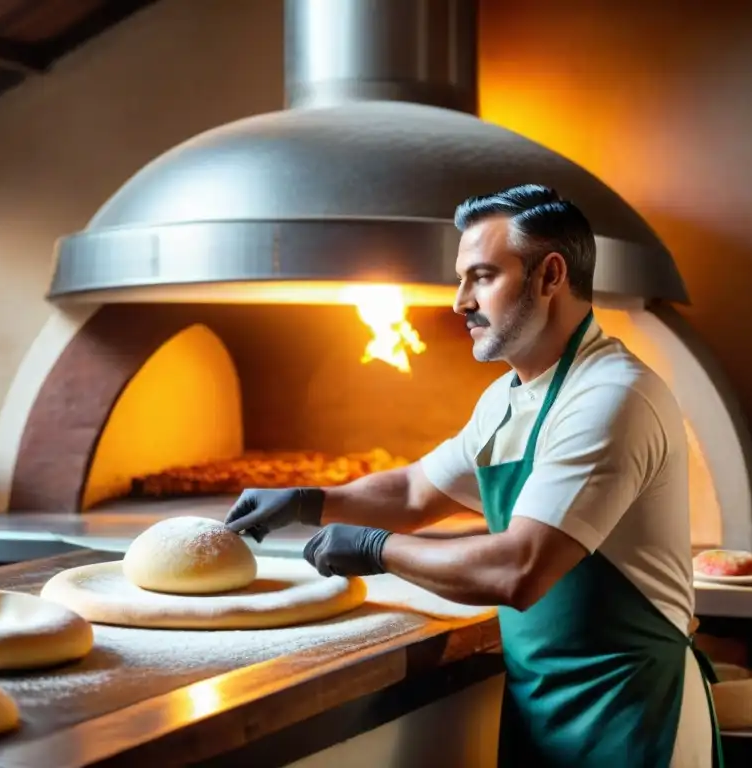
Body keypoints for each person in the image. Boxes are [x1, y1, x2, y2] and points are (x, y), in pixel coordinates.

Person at [224, 184, 721, 768]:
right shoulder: (508, 396)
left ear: (550, 275)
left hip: (633, 717)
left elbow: (520, 568)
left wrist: (376, 548)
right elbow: (414, 491)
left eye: (482, 276)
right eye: (462, 279)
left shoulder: (609, 397)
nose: (460, 301)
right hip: (544, 708)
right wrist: (308, 501)